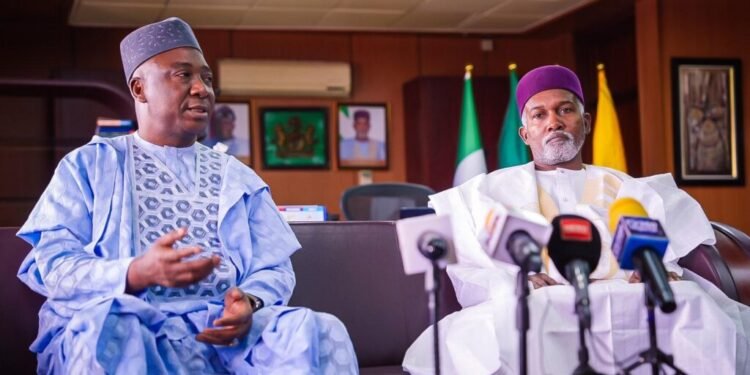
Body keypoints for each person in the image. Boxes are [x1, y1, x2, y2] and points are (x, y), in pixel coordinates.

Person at [16, 17, 357, 374]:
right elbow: (53, 267)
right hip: (132, 323)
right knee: (113, 326)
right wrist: (134, 272)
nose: (202, 89)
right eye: (183, 75)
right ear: (139, 88)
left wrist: (249, 302)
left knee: (318, 330)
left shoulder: (237, 177)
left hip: (222, 334)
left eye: (207, 78)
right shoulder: (89, 166)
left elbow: (273, 267)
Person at [403, 65, 750, 374]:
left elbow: (666, 253)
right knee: (515, 322)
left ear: (585, 122)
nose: (552, 121)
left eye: (564, 109)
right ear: (525, 135)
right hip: (541, 302)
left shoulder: (632, 190)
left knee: (693, 301)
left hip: (629, 295)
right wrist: (516, 282)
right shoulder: (485, 193)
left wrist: (656, 268)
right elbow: (466, 268)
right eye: (539, 115)